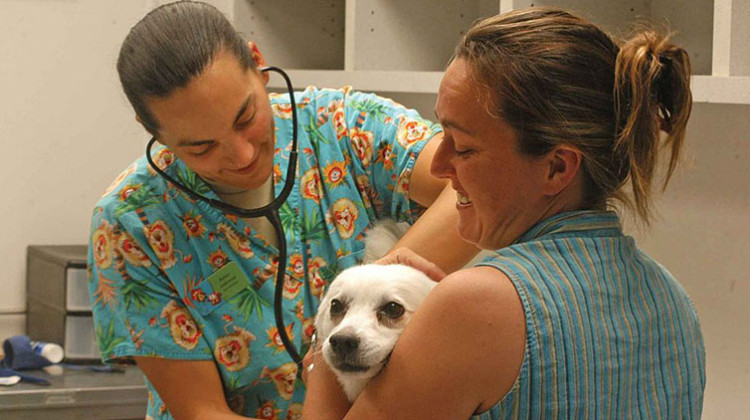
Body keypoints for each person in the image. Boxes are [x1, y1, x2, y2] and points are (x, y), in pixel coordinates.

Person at [303, 7, 705, 419]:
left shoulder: (473, 307)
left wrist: (322, 360)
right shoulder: (672, 296)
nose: (439, 166)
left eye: (463, 147)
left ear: (557, 167)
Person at [87, 2, 478, 419]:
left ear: (258, 64)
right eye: (200, 147)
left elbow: (475, 182)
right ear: (154, 132)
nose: (241, 155)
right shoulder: (132, 220)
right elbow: (201, 412)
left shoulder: (342, 125)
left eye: (245, 117)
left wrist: (367, 294)